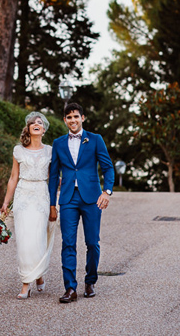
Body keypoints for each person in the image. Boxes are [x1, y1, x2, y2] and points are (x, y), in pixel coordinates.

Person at [48, 102, 114, 303]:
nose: (73, 120)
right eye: (69, 117)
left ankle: (90, 281)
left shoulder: (95, 139)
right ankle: (70, 288)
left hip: (92, 198)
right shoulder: (58, 143)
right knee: (68, 243)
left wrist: (107, 192)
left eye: (76, 116)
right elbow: (53, 176)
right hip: (67, 198)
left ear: (82, 118)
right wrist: (52, 204)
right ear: (65, 120)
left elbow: (108, 168)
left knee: (92, 243)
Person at [1, 112, 57, 299]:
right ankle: (26, 283)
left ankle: (39, 274)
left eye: (39, 122)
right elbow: (13, 177)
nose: (36, 124)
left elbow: (54, 178)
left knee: (39, 238)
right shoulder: (18, 150)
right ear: (28, 128)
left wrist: (53, 204)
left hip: (42, 195)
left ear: (43, 130)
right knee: (25, 241)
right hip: (23, 196)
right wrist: (6, 203)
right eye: (32, 122)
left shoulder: (50, 150)